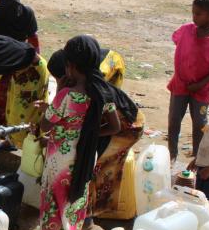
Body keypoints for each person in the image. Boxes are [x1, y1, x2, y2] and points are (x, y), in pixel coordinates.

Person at [29, 35, 121, 230]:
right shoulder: (102, 92)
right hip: (86, 156)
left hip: (61, 160)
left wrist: (56, 96)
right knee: (74, 201)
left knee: (53, 204)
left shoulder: (65, 96)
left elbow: (46, 126)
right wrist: (86, 133)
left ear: (70, 65)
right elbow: (114, 126)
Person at [48, 48, 144, 219]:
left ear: (71, 70)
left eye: (59, 78)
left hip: (128, 127)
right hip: (114, 123)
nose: (59, 82)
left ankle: (89, 216)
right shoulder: (87, 85)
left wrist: (86, 135)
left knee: (94, 167)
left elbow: (113, 127)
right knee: (88, 161)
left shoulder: (92, 92)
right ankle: (88, 213)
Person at [167, 0, 209, 162]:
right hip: (179, 85)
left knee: (199, 124)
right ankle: (171, 155)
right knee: (174, 120)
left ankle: (197, 158)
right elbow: (178, 42)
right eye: (193, 13)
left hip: (201, 90)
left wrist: (200, 83)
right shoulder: (186, 30)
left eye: (198, 14)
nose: (194, 17)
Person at [188, 122, 209, 201]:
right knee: (199, 198)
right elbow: (203, 145)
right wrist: (196, 160)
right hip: (203, 169)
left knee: (208, 202)